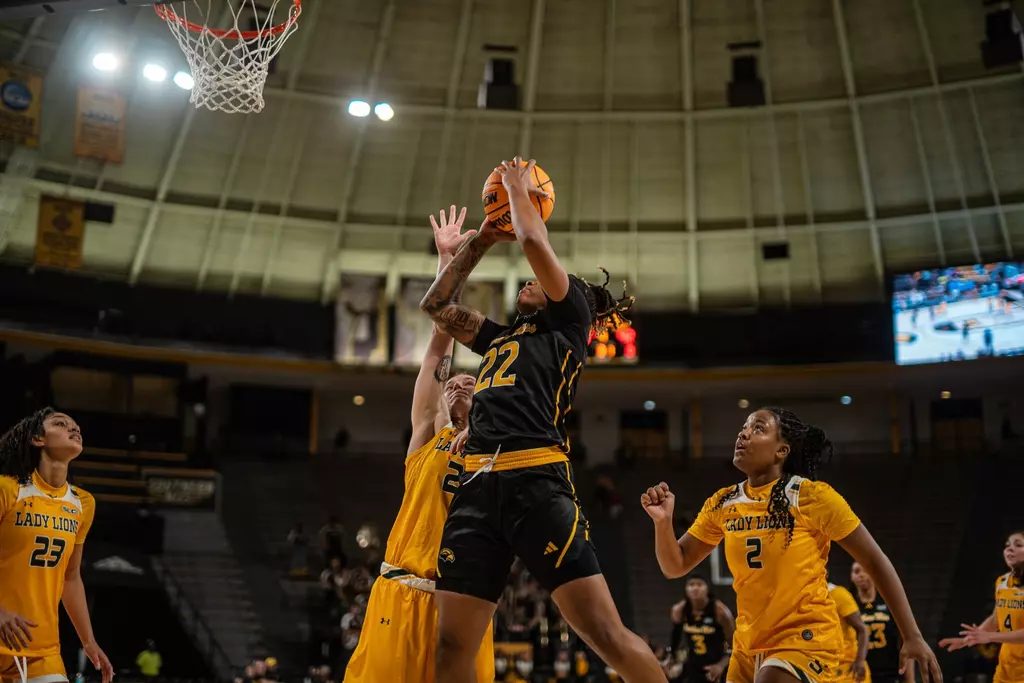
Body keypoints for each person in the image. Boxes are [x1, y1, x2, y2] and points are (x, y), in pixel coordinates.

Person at [419, 158, 662, 683]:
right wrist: (479, 240)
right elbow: (436, 303)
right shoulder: (501, 337)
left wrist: (515, 187)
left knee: (603, 635)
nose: (530, 279)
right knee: (452, 644)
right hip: (478, 488)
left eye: (543, 279)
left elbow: (533, 242)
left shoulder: (570, 323)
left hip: (536, 480)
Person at [641, 407, 941, 683]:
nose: (743, 433)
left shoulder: (811, 496)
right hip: (748, 646)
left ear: (781, 451)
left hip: (805, 638)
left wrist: (911, 634)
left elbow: (875, 561)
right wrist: (662, 522)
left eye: (758, 428)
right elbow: (675, 564)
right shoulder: (722, 502)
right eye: (743, 427)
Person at [344, 206, 494, 683]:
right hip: (399, 591)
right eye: (454, 381)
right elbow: (437, 342)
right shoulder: (427, 439)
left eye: (471, 382)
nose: (457, 383)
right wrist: (448, 263)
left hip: (460, 600)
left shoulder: (498, 455)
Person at [0, 408, 113, 683]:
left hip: (41, 648)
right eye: (61, 424)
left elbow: (70, 577)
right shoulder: (7, 490)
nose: (74, 429)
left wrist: (88, 640)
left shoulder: (82, 503)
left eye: (76, 426)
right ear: (38, 439)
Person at [939, 531, 1024, 683]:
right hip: (1007, 670)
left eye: (1018, 545)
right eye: (1007, 545)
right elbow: (997, 618)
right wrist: (968, 639)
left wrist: (990, 637)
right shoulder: (1002, 582)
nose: (1010, 549)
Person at [851, 562, 913, 683]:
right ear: (851, 577)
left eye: (865, 570)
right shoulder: (849, 605)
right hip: (860, 674)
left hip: (890, 674)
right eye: (857, 571)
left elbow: (906, 642)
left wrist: (910, 679)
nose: (861, 575)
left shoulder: (890, 602)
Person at [669, 576, 734, 683]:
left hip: (716, 665)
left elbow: (734, 644)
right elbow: (674, 640)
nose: (695, 588)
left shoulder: (720, 611)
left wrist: (721, 665)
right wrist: (672, 660)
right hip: (693, 665)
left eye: (699, 584)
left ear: (707, 588)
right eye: (691, 585)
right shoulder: (680, 610)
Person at [828, 581, 869, 682]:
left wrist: (860, 661)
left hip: (848, 668)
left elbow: (862, 629)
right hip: (827, 667)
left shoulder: (838, 594)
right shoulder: (809, 596)